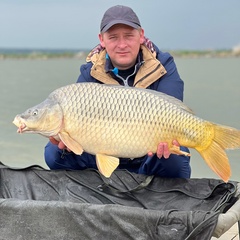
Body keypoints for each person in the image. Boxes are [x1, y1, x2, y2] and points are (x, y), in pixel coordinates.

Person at [44, 5, 191, 178]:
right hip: (102, 155)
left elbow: (173, 115)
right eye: (113, 37)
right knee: (54, 153)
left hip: (148, 155)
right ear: (102, 40)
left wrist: (166, 141)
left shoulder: (163, 65)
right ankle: (96, 192)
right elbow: (77, 119)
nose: (122, 45)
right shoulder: (90, 72)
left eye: (129, 36)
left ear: (141, 35)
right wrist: (68, 139)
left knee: (174, 159)